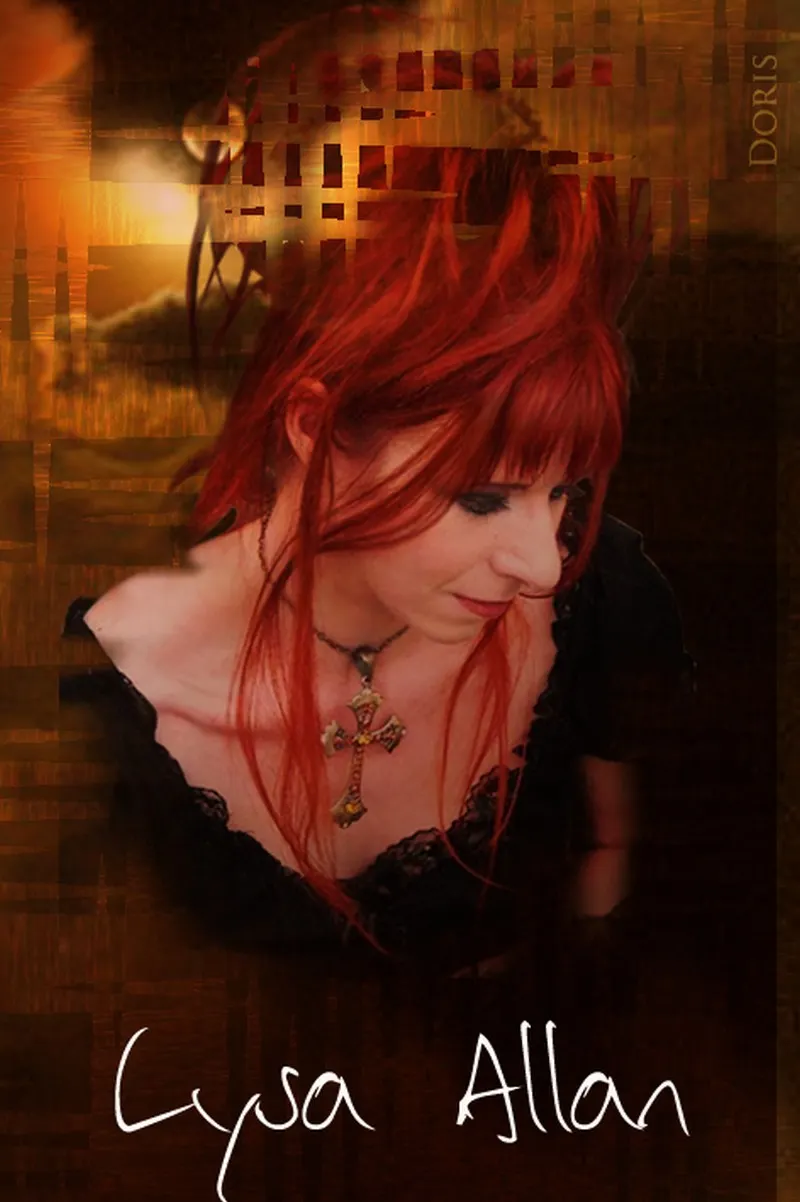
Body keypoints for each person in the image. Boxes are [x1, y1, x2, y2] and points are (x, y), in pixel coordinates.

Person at [61, 71, 692, 975]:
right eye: (482, 498)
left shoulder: (600, 597)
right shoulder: (93, 712)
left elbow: (621, 867)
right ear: (313, 428)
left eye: (561, 494)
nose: (542, 566)